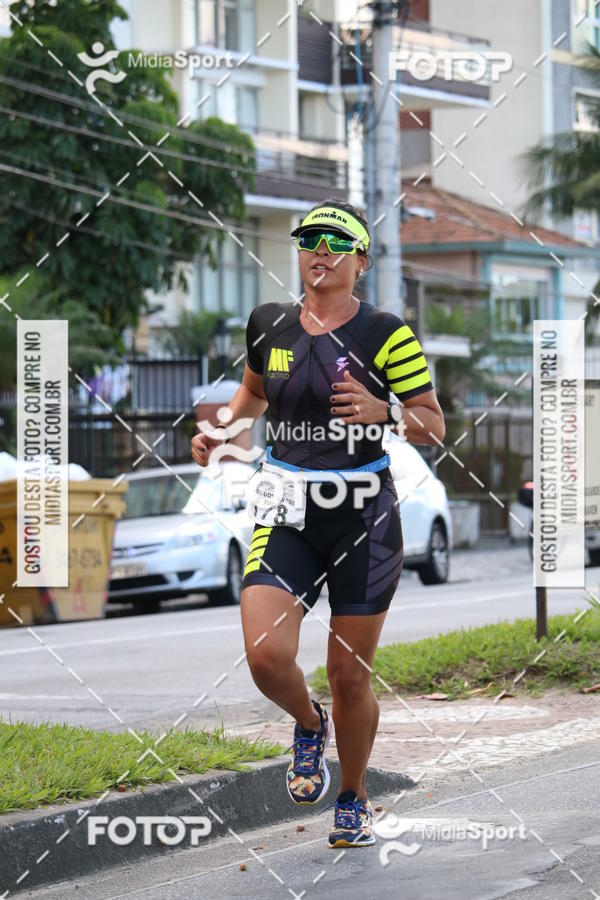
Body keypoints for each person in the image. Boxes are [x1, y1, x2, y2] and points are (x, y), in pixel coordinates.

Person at [191, 199, 445, 848]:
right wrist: (223, 434)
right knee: (265, 655)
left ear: (361, 259)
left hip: (361, 514)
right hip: (283, 503)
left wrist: (381, 410)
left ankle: (355, 795)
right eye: (309, 239)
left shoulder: (388, 333)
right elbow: (250, 398)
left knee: (349, 674)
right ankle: (309, 725)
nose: (320, 251)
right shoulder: (268, 325)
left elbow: (433, 423)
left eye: (337, 241)